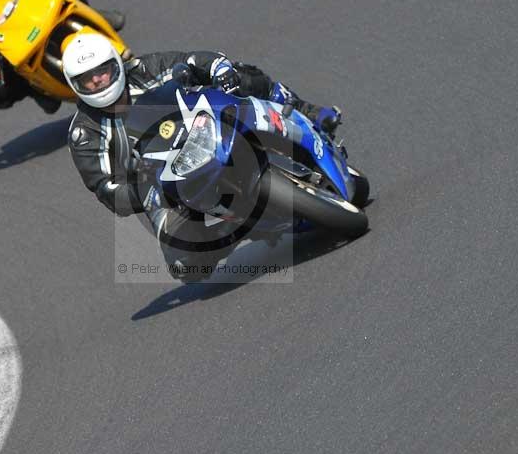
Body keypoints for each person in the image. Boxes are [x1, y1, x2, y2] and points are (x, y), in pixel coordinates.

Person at [62, 33, 341, 281]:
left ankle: (308, 111)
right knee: (185, 265)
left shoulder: (145, 69)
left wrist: (219, 69)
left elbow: (192, 61)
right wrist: (140, 189)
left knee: (241, 75)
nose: (98, 80)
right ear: (75, 86)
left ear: (116, 65)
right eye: (87, 79)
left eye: (102, 71)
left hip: (202, 130)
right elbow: (106, 188)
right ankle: (235, 227)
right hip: (162, 184)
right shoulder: (85, 133)